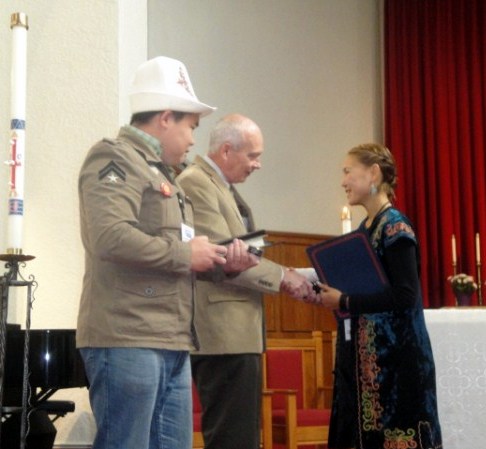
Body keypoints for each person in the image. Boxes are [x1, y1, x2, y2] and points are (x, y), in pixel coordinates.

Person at [76, 57, 258, 449]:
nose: (192, 140)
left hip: (171, 339)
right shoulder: (115, 158)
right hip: (127, 336)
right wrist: (185, 255)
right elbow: (109, 236)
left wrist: (221, 263)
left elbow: (178, 252)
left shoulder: (166, 177)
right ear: (164, 118)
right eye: (190, 127)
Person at [177, 114, 314, 449]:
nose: (258, 164)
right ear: (226, 150)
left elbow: (242, 253)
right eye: (253, 156)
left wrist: (285, 272)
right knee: (232, 439)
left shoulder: (221, 186)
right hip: (222, 334)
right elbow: (221, 254)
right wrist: (282, 277)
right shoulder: (196, 182)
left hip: (236, 332)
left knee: (243, 437)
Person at [317, 143, 442, 449]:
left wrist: (345, 301)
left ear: (373, 173)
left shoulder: (395, 227)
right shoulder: (366, 228)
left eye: (348, 172)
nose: (343, 181)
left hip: (396, 364)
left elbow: (405, 295)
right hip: (366, 363)